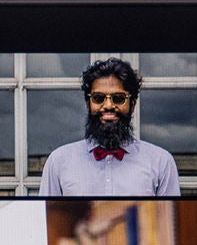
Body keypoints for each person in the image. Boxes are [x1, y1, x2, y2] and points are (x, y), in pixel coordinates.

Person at [39, 57, 180, 197]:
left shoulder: (161, 162)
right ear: (88, 104)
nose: (108, 106)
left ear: (132, 104)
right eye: (98, 98)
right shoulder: (58, 162)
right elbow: (44, 217)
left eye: (118, 98)